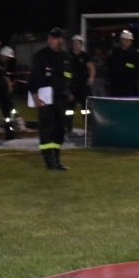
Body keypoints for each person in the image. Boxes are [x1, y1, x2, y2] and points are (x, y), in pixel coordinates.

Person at [27, 27, 73, 170]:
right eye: (49, 38)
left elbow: (69, 77)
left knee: (59, 129)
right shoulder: (41, 56)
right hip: (45, 97)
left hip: (61, 98)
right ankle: (49, 161)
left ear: (60, 40)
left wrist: (69, 90)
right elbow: (33, 78)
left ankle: (56, 159)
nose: (50, 40)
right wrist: (35, 96)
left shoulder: (66, 58)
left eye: (53, 38)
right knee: (46, 128)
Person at [67, 34, 96, 132]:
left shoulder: (85, 56)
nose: (77, 46)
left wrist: (91, 78)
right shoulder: (67, 56)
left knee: (86, 108)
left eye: (79, 44)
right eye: (75, 44)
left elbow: (91, 67)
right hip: (71, 86)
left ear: (81, 45)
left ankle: (90, 127)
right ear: (72, 45)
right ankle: (67, 127)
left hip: (83, 86)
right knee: (69, 109)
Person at [106, 30, 139, 96]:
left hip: (129, 82)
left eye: (127, 40)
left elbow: (134, 66)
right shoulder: (115, 52)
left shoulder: (134, 53)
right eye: (123, 40)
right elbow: (110, 64)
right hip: (116, 81)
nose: (125, 42)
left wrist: (125, 64)